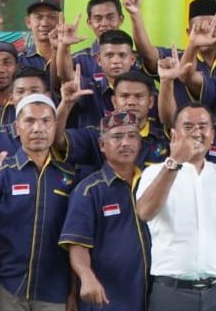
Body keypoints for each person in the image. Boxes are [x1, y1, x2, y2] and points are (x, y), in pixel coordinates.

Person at [0, 94, 78, 310]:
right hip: (7, 288)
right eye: (29, 121)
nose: (38, 128)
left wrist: (73, 291)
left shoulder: (70, 177)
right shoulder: (1, 172)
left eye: (45, 121)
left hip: (54, 292)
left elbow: (75, 240)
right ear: (17, 127)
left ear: (55, 126)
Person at [135, 103, 216, 311]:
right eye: (188, 127)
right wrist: (176, 160)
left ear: (212, 136)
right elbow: (144, 212)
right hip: (172, 292)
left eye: (203, 126)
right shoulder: (153, 173)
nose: (197, 132)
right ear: (174, 135)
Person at [59, 111, 150, 310]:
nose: (126, 143)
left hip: (150, 297)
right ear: (102, 145)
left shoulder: (152, 182)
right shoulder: (89, 190)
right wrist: (86, 276)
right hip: (106, 299)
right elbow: (77, 246)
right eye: (117, 137)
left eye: (132, 136)